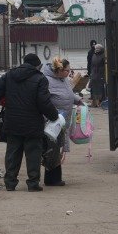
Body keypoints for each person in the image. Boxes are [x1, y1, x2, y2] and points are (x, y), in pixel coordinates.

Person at [0, 52, 58, 192]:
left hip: (12, 121)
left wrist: (3, 102)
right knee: (33, 154)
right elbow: (44, 102)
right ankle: (33, 184)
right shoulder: (40, 79)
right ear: (37, 66)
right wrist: (54, 115)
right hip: (32, 123)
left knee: (12, 153)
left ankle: (10, 183)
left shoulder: (10, 75)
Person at [43, 57, 82, 186]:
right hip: (53, 120)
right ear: (59, 70)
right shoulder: (46, 80)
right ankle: (51, 179)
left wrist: (77, 100)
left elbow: (68, 93)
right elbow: (44, 99)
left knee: (59, 147)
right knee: (52, 148)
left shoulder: (63, 79)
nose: (69, 72)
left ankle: (56, 177)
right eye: (67, 70)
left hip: (63, 119)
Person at [90, 44, 108, 109]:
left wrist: (104, 74)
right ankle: (94, 102)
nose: (96, 50)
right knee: (93, 88)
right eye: (96, 48)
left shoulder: (103, 56)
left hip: (101, 74)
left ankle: (101, 101)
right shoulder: (94, 55)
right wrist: (91, 73)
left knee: (101, 89)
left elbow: (105, 66)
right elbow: (92, 65)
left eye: (98, 48)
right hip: (94, 74)